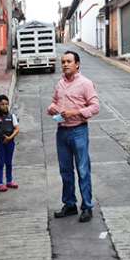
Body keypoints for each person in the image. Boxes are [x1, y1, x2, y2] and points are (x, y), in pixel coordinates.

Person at [47, 51, 100, 223]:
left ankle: (87, 207)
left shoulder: (86, 83)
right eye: (63, 61)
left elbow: (95, 107)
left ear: (77, 64)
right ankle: (70, 204)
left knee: (83, 170)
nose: (65, 64)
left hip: (79, 131)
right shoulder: (60, 83)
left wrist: (75, 112)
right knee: (65, 171)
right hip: (61, 131)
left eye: (69, 61)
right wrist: (52, 108)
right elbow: (54, 102)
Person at [0, 94, 20, 192]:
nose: (5, 106)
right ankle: (0, 183)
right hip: (0, 144)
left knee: (9, 162)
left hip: (10, 143)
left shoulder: (12, 116)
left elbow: (17, 129)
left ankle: (9, 181)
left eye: (6, 104)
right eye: (2, 104)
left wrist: (10, 138)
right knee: (0, 162)